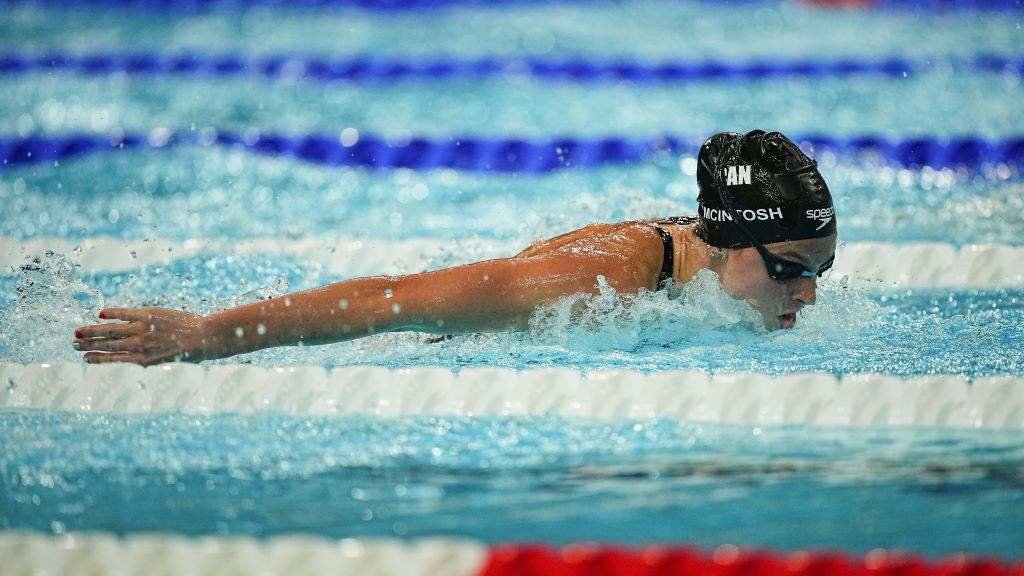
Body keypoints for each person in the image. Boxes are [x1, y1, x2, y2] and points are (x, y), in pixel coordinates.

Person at [72, 130, 837, 366]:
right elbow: (389, 300)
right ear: (728, 241)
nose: (807, 293)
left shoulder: (709, 261)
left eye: (819, 271)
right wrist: (205, 334)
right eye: (793, 271)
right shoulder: (597, 279)